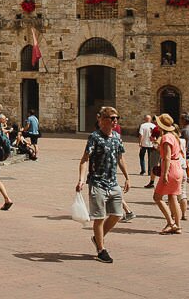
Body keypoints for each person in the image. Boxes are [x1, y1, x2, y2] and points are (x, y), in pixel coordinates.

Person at [76, 106, 130, 264]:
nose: (115, 121)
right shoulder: (94, 137)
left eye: (116, 118)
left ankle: (97, 238)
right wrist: (81, 179)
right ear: (102, 120)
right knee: (99, 217)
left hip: (113, 183)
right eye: (112, 118)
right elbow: (85, 159)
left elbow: (120, 158)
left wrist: (127, 177)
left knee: (117, 215)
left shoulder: (117, 137)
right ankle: (101, 249)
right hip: (97, 182)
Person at [152, 114, 184, 234]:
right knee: (172, 197)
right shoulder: (174, 136)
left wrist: (164, 173)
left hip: (170, 168)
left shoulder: (166, 138)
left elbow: (166, 157)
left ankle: (171, 223)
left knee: (157, 197)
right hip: (177, 167)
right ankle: (178, 225)